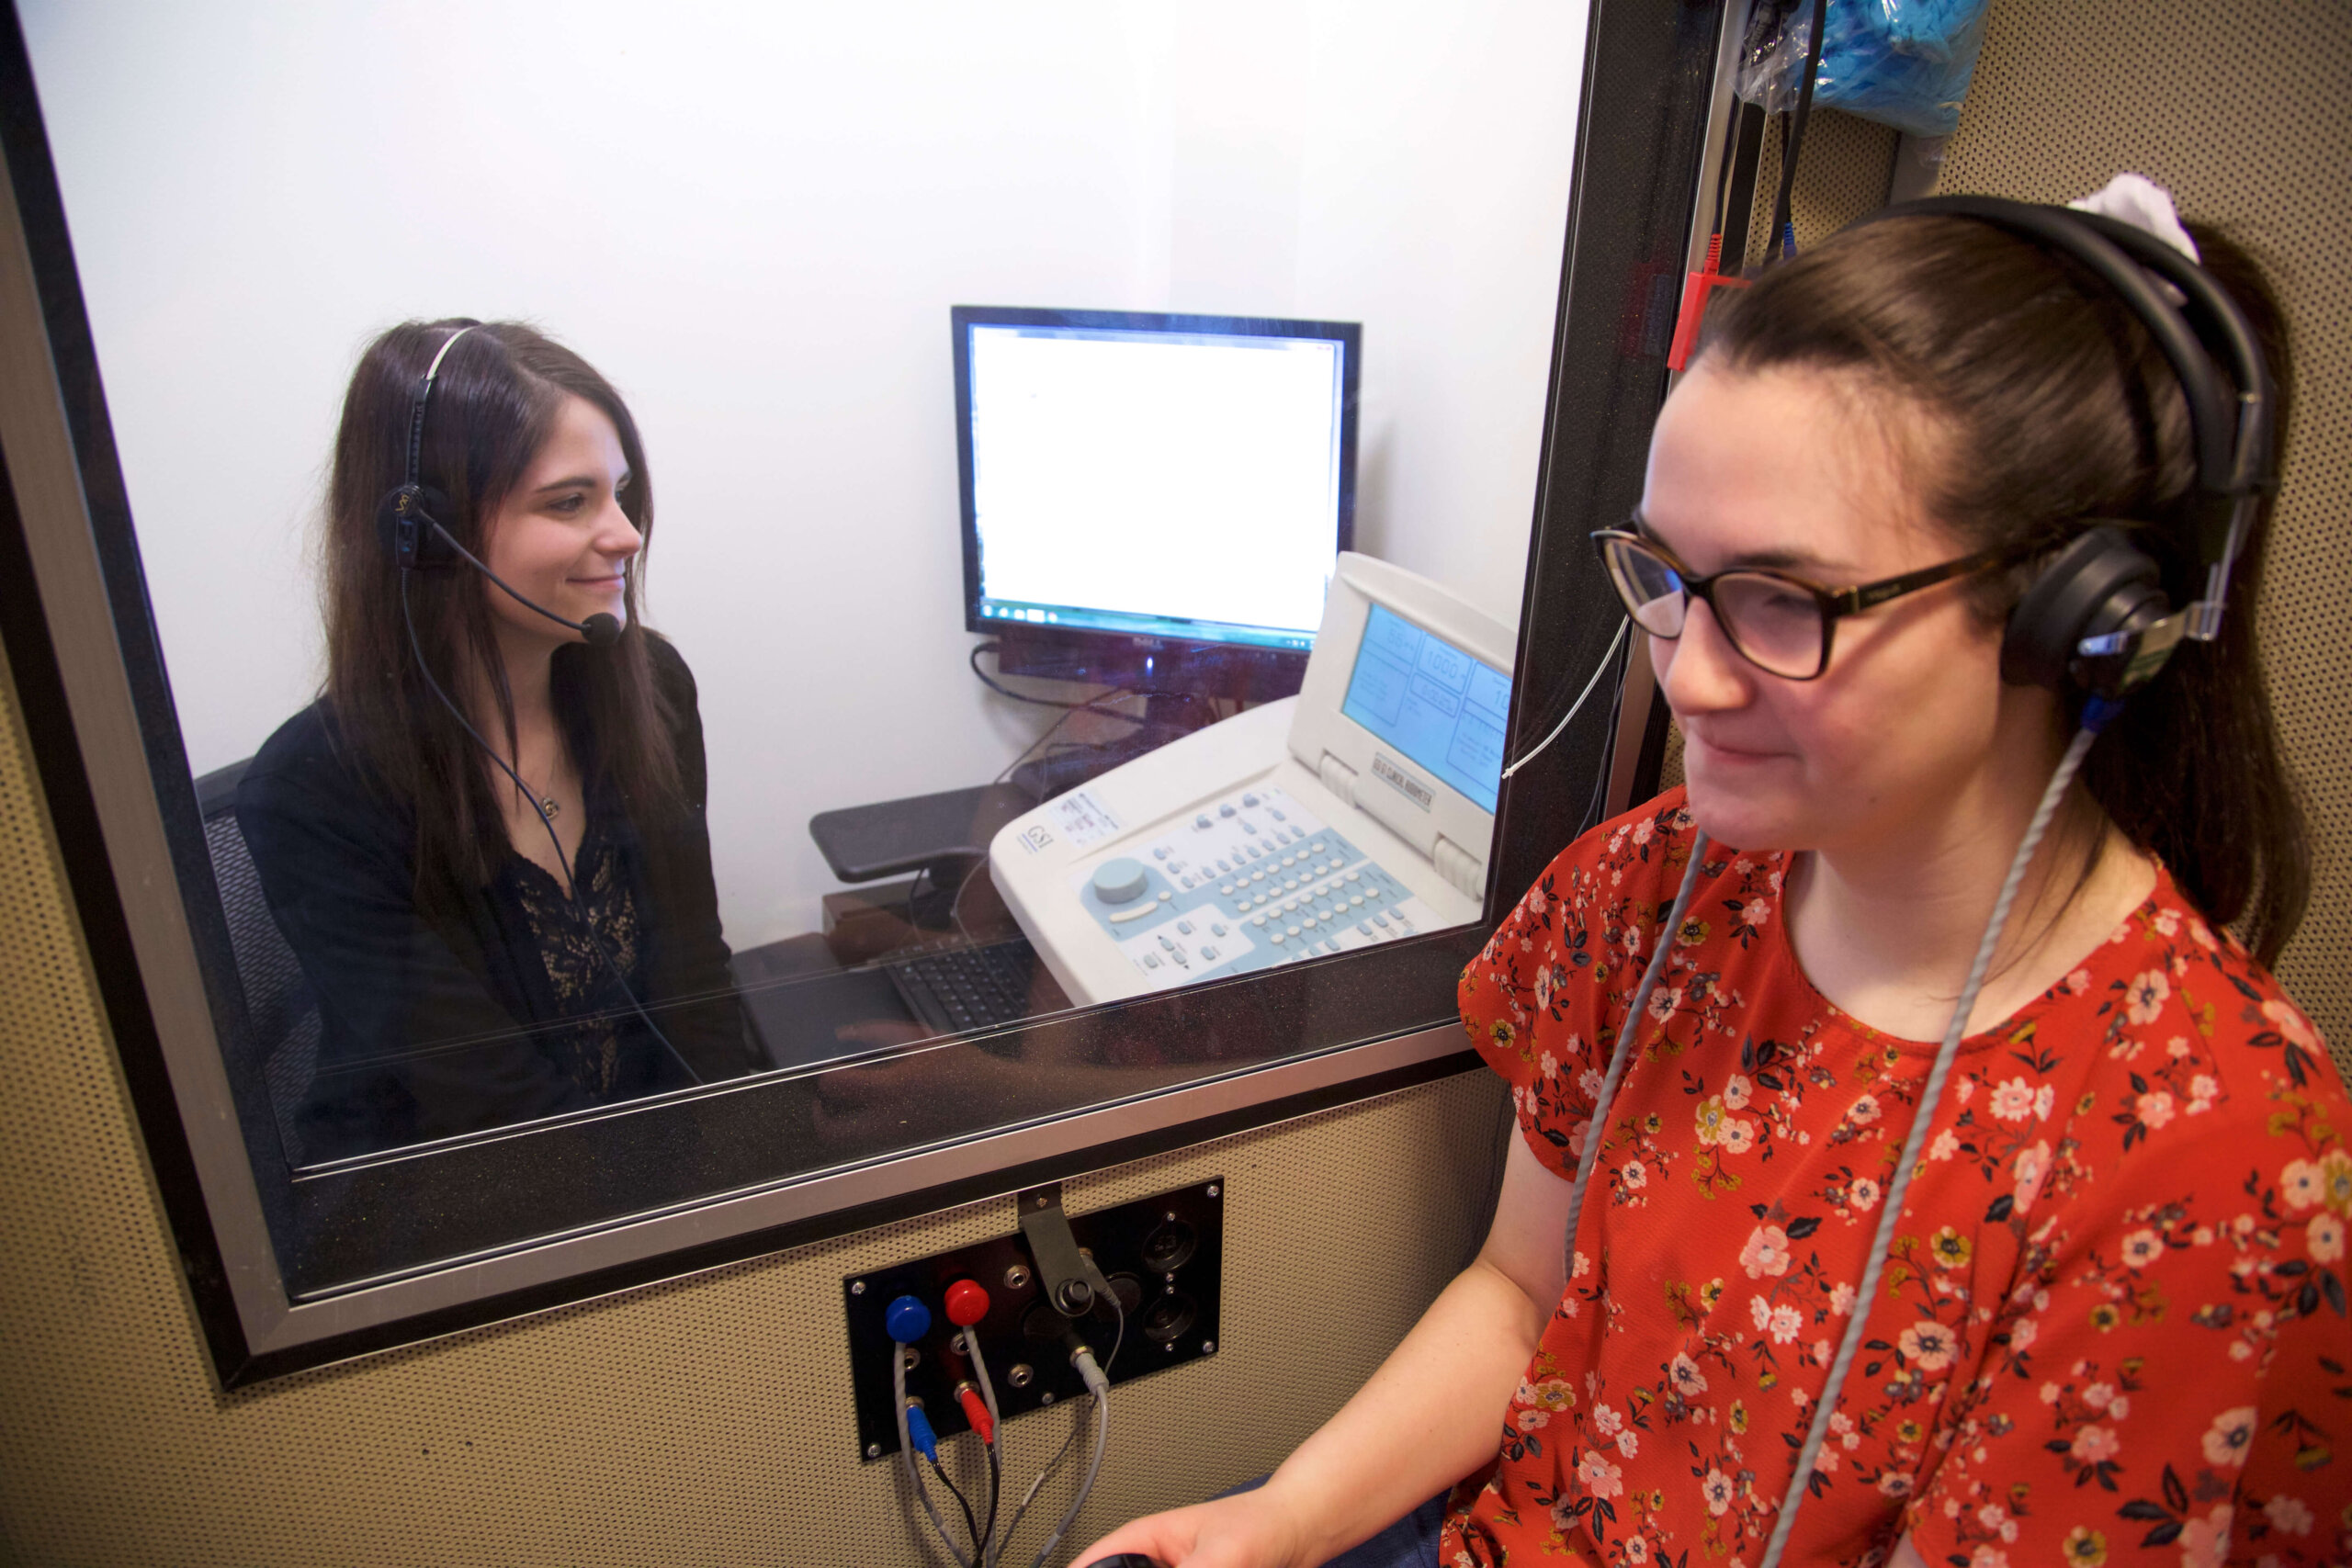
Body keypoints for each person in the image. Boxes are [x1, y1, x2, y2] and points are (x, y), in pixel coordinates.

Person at [1080, 195, 2350, 1565]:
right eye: (1672, 577)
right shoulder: (1654, 888)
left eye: (1782, 598)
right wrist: (1276, 1522)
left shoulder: (2211, 1165)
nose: (1685, 671)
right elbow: (1522, 1296)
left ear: (2071, 630)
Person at [239, 320, 763, 1162]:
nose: (625, 533)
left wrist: (756, 1178)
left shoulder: (652, 687)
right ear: (427, 536)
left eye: (619, 491)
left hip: (651, 1173)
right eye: (569, 501)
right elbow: (494, 1108)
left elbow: (698, 980)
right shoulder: (314, 790)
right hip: (453, 1210)